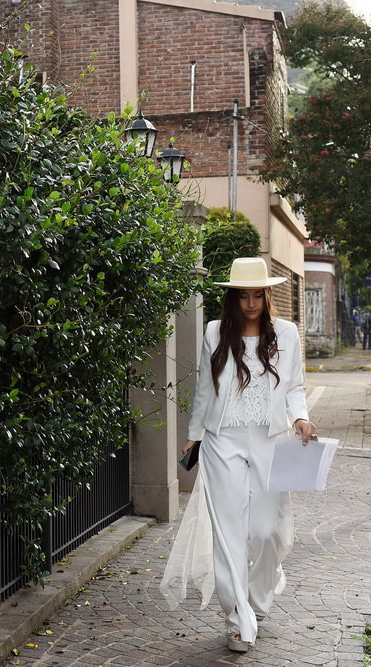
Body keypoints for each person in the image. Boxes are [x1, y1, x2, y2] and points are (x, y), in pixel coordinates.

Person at [161, 257, 316, 654]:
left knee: (266, 531)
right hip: (222, 440)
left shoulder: (286, 333)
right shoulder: (216, 333)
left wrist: (301, 418)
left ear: (267, 295)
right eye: (242, 295)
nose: (250, 303)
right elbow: (204, 389)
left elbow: (296, 386)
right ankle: (237, 618)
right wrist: (193, 435)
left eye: (257, 295)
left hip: (271, 439)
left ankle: (258, 601)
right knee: (228, 533)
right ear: (233, 298)